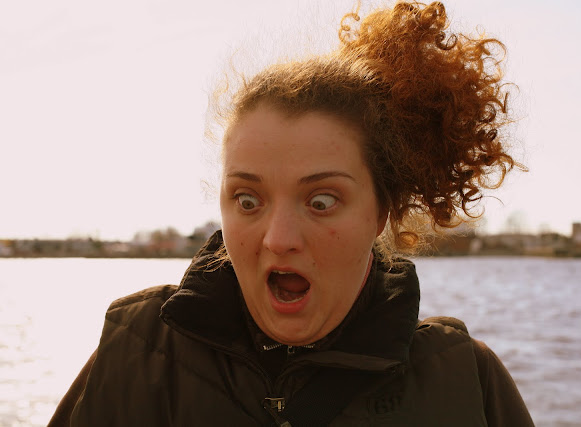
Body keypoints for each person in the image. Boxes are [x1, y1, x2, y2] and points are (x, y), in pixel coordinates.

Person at [50, 1, 533, 425]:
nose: (278, 239)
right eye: (248, 200)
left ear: (381, 213)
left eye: (322, 201)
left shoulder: (464, 381)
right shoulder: (137, 352)